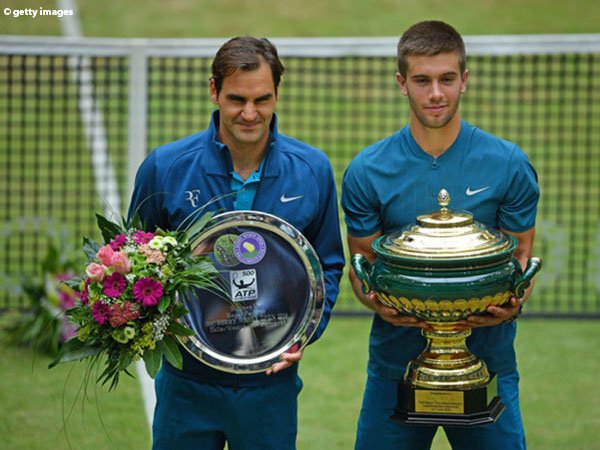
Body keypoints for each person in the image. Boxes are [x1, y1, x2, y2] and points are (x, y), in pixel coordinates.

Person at [128, 36, 345, 450]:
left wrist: (303, 333)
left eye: (262, 99)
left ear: (277, 93)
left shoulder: (313, 169)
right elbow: (136, 260)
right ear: (214, 91)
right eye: (236, 99)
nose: (250, 113)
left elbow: (327, 265)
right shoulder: (165, 167)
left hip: (270, 383)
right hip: (186, 381)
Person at [341, 21, 539, 450]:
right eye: (422, 80)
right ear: (401, 83)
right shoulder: (367, 170)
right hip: (395, 365)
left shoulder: (508, 164)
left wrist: (512, 302)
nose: (436, 94)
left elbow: (521, 257)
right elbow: (362, 268)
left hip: (487, 363)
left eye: (447, 79)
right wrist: (377, 302)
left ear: (464, 80)